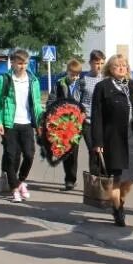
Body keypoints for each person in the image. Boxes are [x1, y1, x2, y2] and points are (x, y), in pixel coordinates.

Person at [90, 54, 133, 227]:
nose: (121, 68)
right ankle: (118, 210)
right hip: (113, 138)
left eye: (124, 65)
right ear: (110, 69)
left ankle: (121, 200)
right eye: (117, 65)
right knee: (117, 177)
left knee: (131, 177)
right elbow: (96, 116)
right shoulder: (103, 87)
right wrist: (98, 142)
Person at [0, 50, 44, 203]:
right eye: (19, 63)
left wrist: (39, 122)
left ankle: (20, 182)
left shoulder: (33, 81)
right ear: (12, 63)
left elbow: (37, 104)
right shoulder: (3, 80)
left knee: (29, 155)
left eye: (25, 63)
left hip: (26, 123)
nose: (22, 66)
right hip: (9, 124)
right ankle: (14, 189)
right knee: (11, 156)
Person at [47, 58, 90, 191]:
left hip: (83, 121)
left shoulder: (83, 84)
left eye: (77, 74)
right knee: (70, 152)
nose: (75, 77)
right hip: (67, 124)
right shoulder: (59, 84)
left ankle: (96, 178)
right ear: (67, 72)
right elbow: (51, 101)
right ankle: (70, 180)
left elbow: (87, 101)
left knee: (94, 149)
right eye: (72, 74)